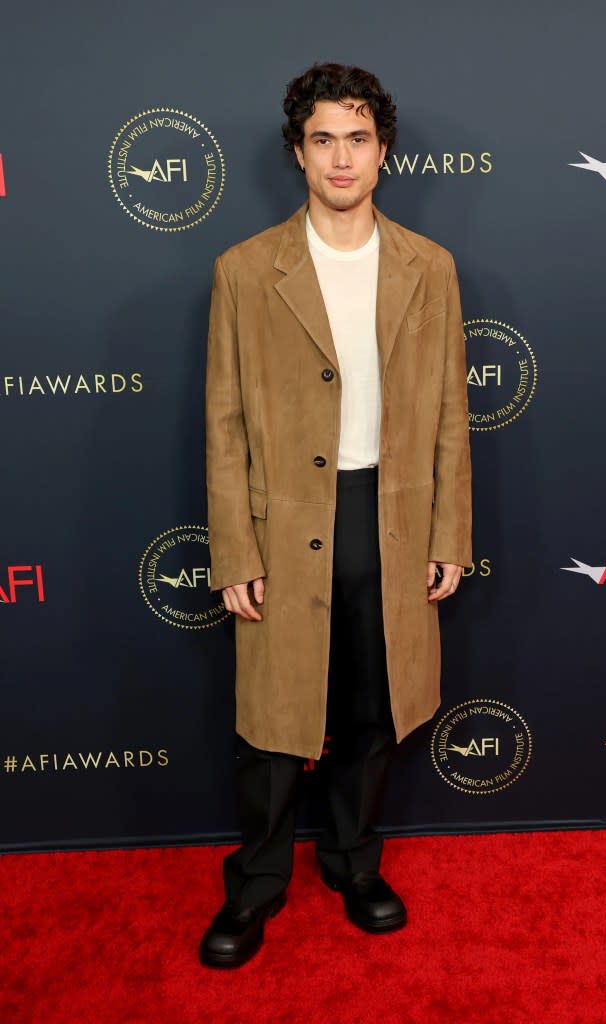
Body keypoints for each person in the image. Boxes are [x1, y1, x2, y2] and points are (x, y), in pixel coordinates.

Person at [200, 62, 472, 969]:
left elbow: (445, 415)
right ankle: (257, 885)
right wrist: (234, 547)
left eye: (358, 137)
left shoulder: (428, 269)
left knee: (370, 711)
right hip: (285, 524)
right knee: (274, 723)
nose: (341, 156)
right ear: (298, 153)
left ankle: (355, 865)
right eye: (323, 139)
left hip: (387, 517)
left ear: (382, 151)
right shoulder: (244, 270)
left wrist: (447, 536)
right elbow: (225, 420)